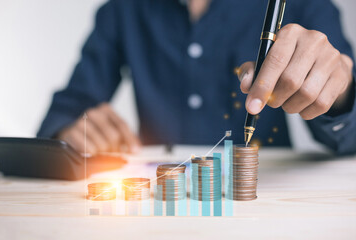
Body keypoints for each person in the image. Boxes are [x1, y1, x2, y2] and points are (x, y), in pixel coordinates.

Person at [38, 0, 356, 155]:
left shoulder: (304, 4)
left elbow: (349, 138)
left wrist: (341, 93)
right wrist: (69, 133)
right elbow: (65, 113)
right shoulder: (122, 10)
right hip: (157, 211)